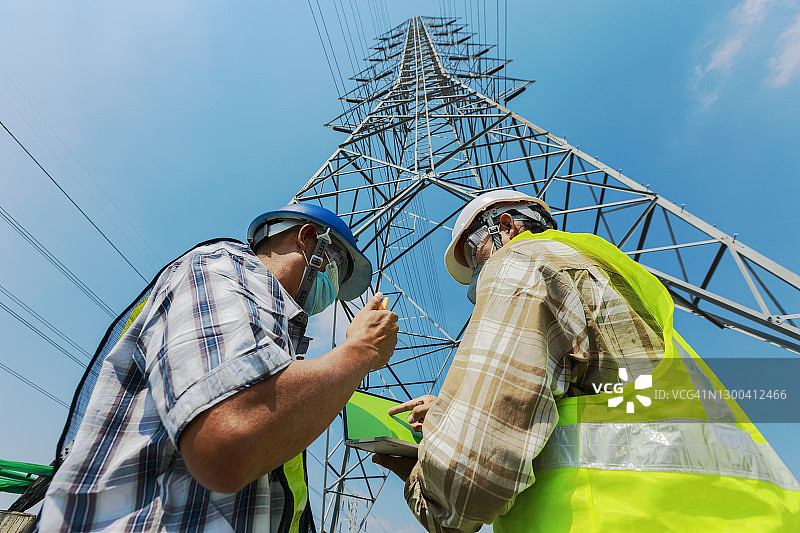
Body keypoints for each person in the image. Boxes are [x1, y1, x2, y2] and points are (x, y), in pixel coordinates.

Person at [374, 191, 800, 532]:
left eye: (475, 251)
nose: (479, 274)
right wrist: (452, 412)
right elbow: (603, 399)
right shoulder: (609, 276)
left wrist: (421, 481)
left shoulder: (520, 260)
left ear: (504, 225)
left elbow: (470, 482)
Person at [38, 204, 398, 532]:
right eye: (338, 268)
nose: (333, 291)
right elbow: (230, 443)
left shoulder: (281, 338)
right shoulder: (224, 268)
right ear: (308, 240)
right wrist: (361, 350)